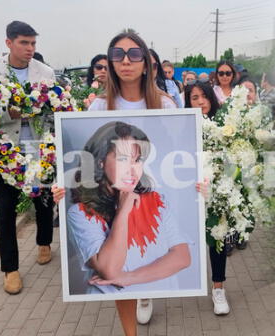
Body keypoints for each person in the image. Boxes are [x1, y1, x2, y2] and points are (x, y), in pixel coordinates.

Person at [59, 29, 178, 335]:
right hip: (110, 198)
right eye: (118, 55)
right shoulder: (99, 106)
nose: (126, 61)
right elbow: (86, 162)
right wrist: (62, 189)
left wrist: (197, 185)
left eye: (134, 54)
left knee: (145, 251)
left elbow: (179, 148)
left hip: (149, 189)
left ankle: (146, 291)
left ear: (145, 62)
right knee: (118, 263)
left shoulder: (165, 103)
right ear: (110, 62)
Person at [0, 20, 56, 295]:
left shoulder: (45, 72)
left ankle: (44, 242)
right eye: (24, 43)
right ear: (9, 43)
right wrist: (8, 113)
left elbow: (52, 110)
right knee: (6, 209)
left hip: (38, 144)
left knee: (43, 200)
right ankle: (10, 269)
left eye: (33, 43)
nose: (30, 48)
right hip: (5, 149)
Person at [64, 121, 191, 292]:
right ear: (100, 161)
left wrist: (128, 278)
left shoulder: (157, 201)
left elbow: (182, 257)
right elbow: (110, 270)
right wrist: (123, 212)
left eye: (137, 160)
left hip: (162, 300)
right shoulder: (80, 213)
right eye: (123, 159)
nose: (132, 169)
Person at [185, 80, 235, 315]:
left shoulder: (224, 124)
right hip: (188, 191)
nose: (200, 101)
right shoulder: (182, 126)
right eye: (194, 98)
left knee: (217, 240)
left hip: (216, 192)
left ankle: (218, 289)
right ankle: (151, 292)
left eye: (203, 96)